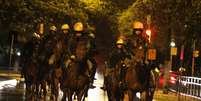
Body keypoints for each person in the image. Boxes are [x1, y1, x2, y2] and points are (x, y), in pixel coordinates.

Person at [68, 22, 97, 88]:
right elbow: (69, 48)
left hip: (84, 57)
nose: (78, 33)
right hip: (73, 57)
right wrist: (71, 54)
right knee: (65, 65)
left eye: (79, 32)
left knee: (92, 65)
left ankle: (90, 80)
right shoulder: (72, 38)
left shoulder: (85, 39)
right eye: (77, 32)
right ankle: (64, 81)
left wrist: (86, 55)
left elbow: (88, 48)